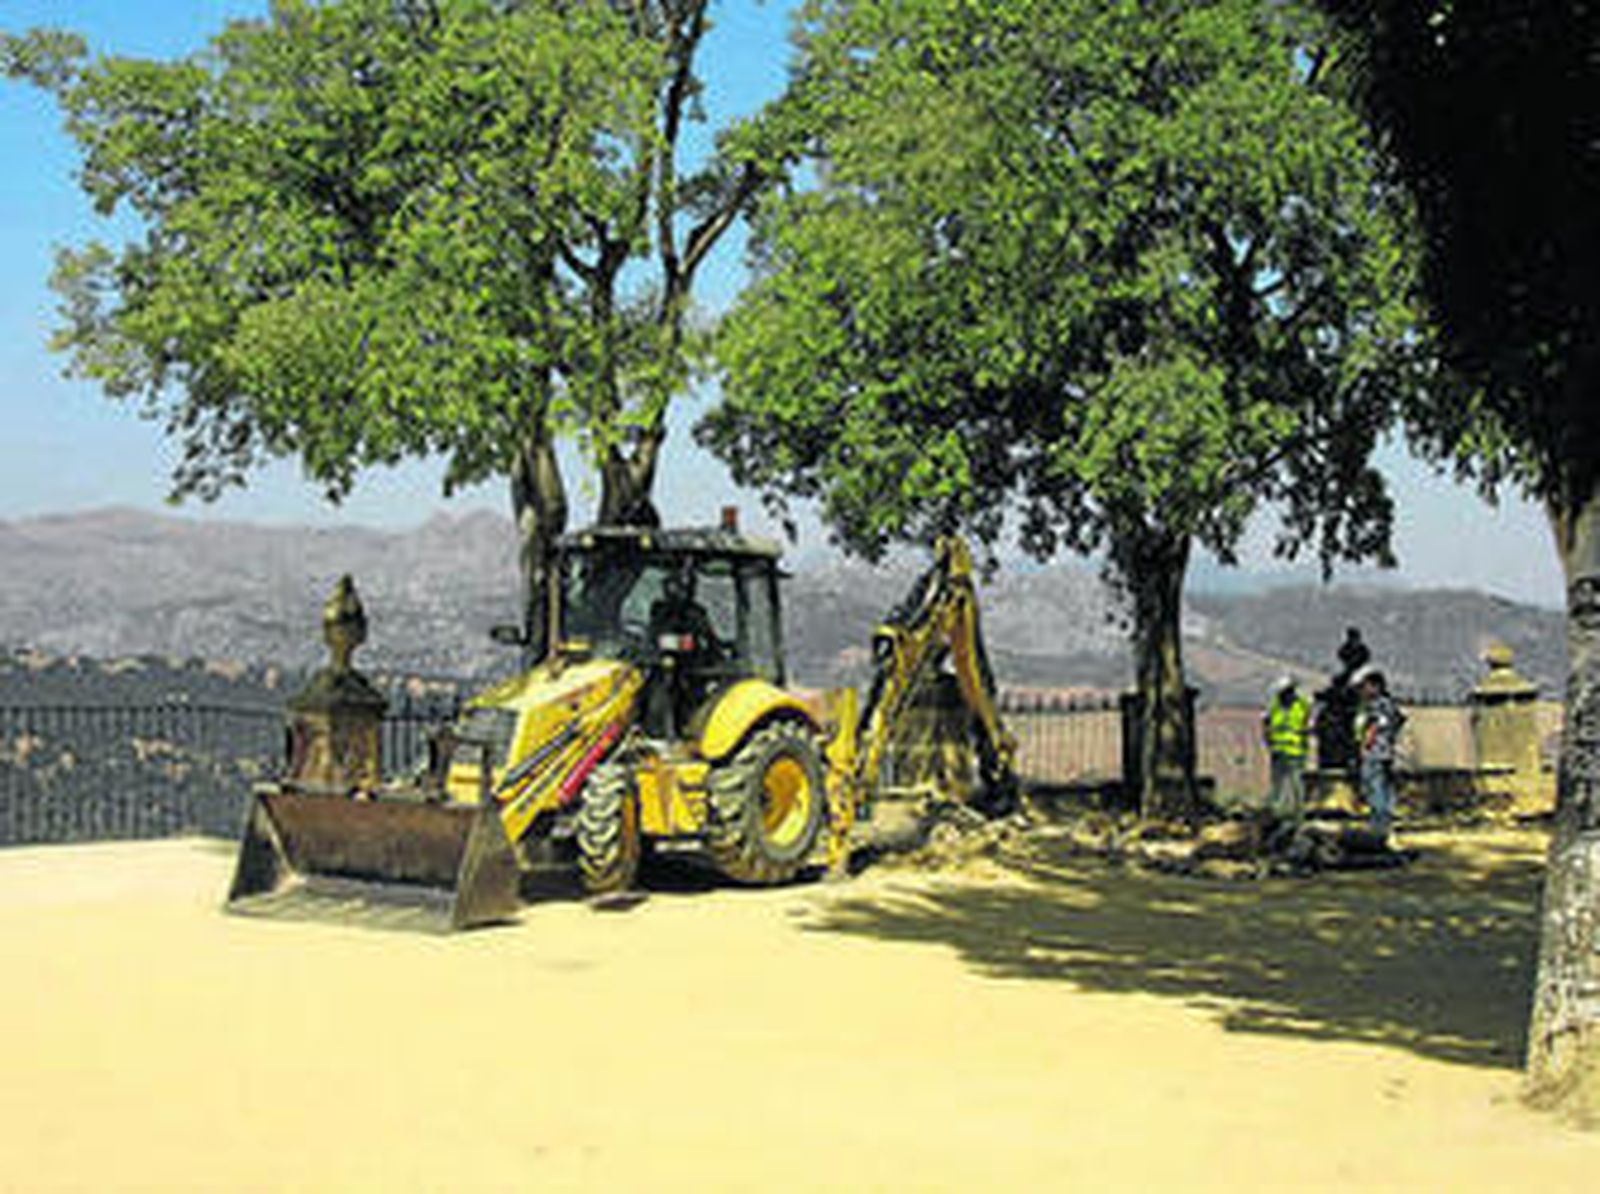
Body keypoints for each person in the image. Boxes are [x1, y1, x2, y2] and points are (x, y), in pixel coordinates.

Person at [1353, 664, 1405, 839]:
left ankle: (1379, 826)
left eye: (1364, 686)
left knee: (1375, 789)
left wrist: (1368, 739)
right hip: (1384, 752)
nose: (1361, 691)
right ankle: (1384, 823)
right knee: (1382, 788)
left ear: (1375, 685)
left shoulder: (1377, 705)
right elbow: (1399, 720)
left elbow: (1374, 726)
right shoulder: (1388, 704)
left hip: (1375, 753)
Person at [1262, 675, 1311, 824]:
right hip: (1278, 750)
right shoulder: (1274, 705)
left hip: (1295, 752)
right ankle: (1277, 812)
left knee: (1297, 784)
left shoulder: (1302, 704)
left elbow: (1305, 723)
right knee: (1278, 783)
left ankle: (1299, 813)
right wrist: (1268, 740)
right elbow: (1267, 722)